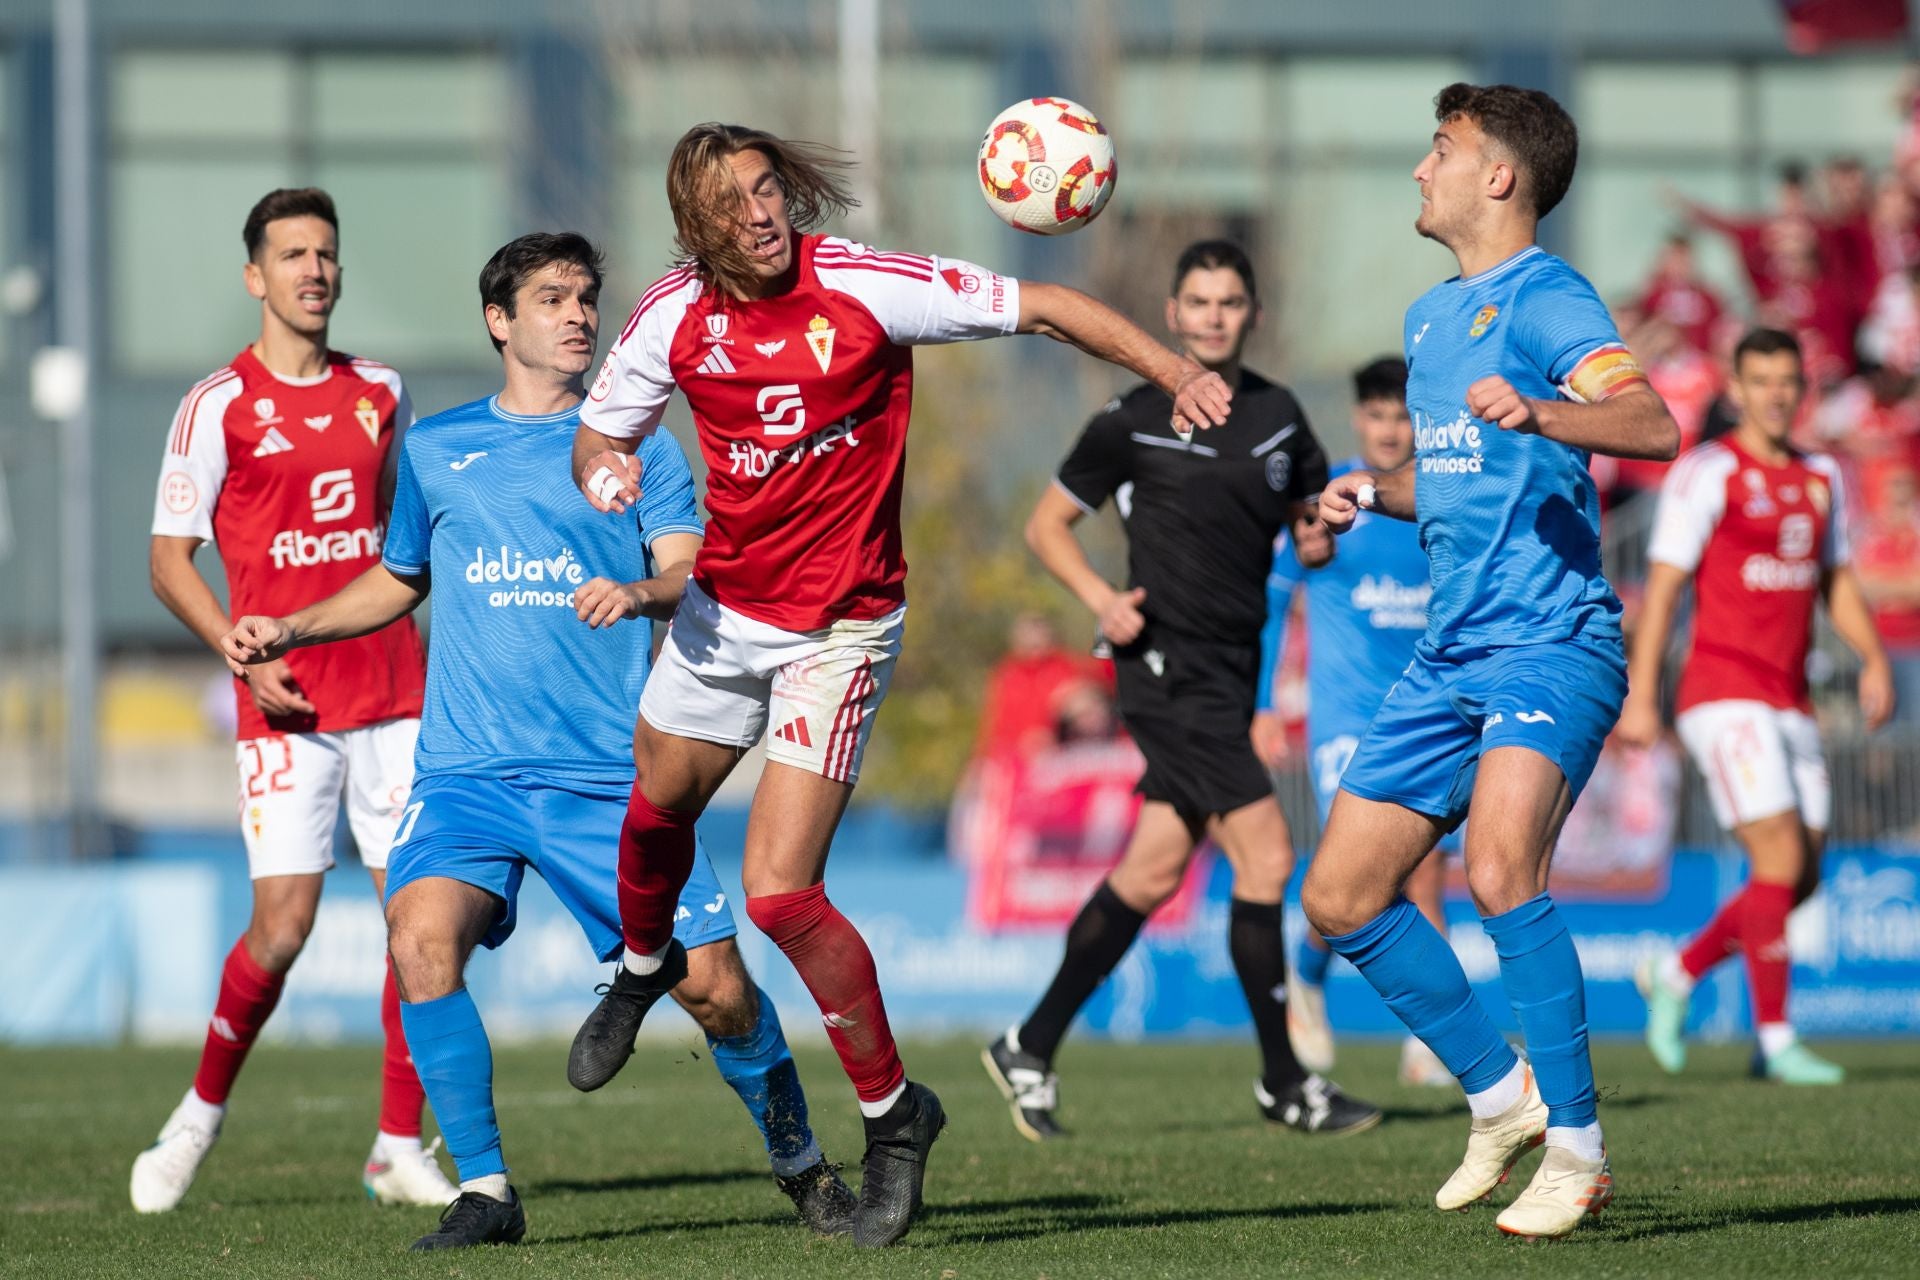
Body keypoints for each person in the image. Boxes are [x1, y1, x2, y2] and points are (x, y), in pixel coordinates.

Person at [567, 122, 1233, 1248]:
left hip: (840, 627)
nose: (763, 213)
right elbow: (596, 431)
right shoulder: (672, 312)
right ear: (698, 225)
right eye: (733, 203)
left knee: (780, 892)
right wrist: (608, 472)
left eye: (769, 189)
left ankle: (894, 1118)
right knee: (655, 804)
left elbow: (1050, 305)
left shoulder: (868, 286)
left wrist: (1175, 371)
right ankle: (640, 967)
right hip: (725, 611)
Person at [218, 233, 855, 1250]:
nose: (577, 314)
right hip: (468, 772)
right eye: (551, 297)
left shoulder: (640, 448)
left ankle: (803, 1161)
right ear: (498, 320)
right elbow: (399, 577)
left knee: (719, 990)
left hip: (611, 777)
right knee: (419, 938)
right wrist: (290, 624)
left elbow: (690, 568)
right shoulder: (437, 449)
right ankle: (484, 1187)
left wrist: (642, 591)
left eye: (587, 297)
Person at [1304, 83, 1679, 1242]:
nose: (1422, 170)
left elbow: (1653, 423)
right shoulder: (1430, 320)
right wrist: (1377, 493)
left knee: (1502, 863)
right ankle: (1499, 1092)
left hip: (1552, 638)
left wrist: (1548, 412)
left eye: (1442, 149)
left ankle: (1579, 1147)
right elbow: (1460, 484)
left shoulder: (1549, 296)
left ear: (1499, 176)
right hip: (1449, 651)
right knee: (1338, 897)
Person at [982, 240, 1381, 1145]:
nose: (1212, 314)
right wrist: (1099, 600)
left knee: (1154, 869)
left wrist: (1319, 540)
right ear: (1171, 314)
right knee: (1270, 860)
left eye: (1229, 301)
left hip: (1231, 671)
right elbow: (1046, 527)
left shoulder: (1280, 417)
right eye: (1196, 300)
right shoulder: (1130, 417)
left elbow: (1311, 525)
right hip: (1164, 666)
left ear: (1252, 315)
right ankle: (1285, 1080)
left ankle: (1028, 1044)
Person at [138, 187, 451, 1214]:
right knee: (283, 926)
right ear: (255, 276)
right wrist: (235, 647)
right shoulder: (217, 401)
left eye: (326, 253)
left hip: (395, 691)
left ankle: (397, 1142)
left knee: (421, 919)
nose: (313, 270)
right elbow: (168, 560)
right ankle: (196, 1116)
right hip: (286, 700)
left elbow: (401, 540)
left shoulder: (382, 390)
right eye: (292, 255)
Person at [1622, 328, 1895, 1085]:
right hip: (1721, 691)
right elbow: (1666, 587)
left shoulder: (1821, 477)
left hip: (1790, 698)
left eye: (1787, 381)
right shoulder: (1707, 473)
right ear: (1736, 389)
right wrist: (1643, 695)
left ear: (1801, 389)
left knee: (1801, 873)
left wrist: (1872, 657)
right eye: (1761, 380)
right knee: (1776, 858)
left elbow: (1834, 579)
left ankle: (1677, 972)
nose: (1776, 394)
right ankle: (1775, 1042)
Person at [1255, 356, 1451, 1089]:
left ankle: (1426, 1035)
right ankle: (1308, 977)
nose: (1391, 430)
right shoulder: (1328, 498)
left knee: (1420, 872)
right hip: (1345, 720)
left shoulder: (1441, 494)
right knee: (1362, 865)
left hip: (1429, 716)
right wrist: (1266, 704)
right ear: (1358, 419)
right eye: (1377, 416)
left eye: (1403, 416)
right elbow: (1275, 602)